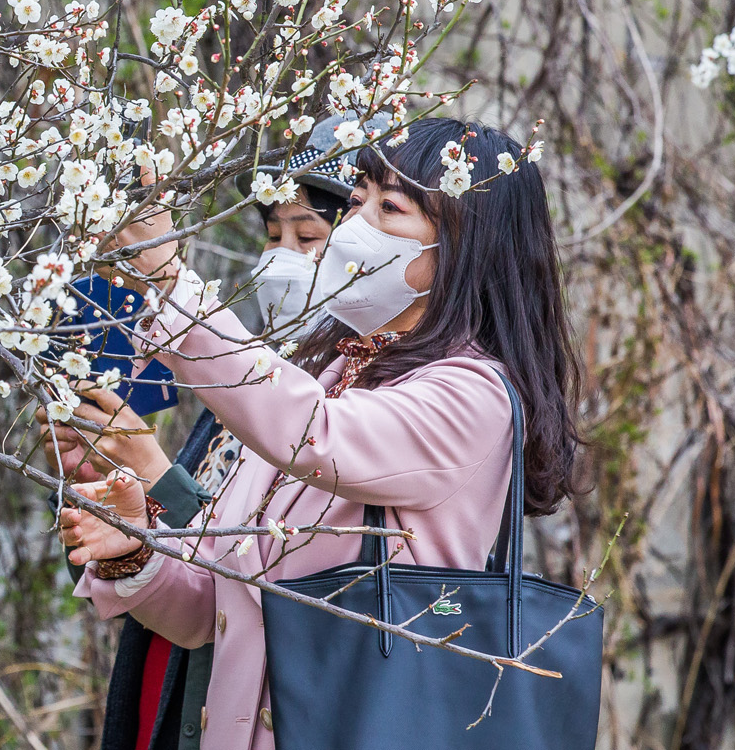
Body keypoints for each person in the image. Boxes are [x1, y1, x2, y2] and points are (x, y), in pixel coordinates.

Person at [56, 117, 586, 750]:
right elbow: (217, 605)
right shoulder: (334, 372)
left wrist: (173, 283)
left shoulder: (471, 396)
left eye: (390, 208)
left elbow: (315, 434)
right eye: (359, 200)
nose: (358, 225)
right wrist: (132, 547)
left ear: (467, 246)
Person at [41, 119, 358, 750]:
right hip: (180, 684)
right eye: (273, 236)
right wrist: (126, 500)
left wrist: (156, 472)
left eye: (309, 236)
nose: (283, 259)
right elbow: (198, 566)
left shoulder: (354, 408)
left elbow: (256, 554)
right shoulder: (248, 384)